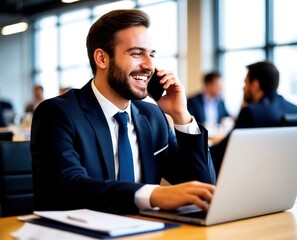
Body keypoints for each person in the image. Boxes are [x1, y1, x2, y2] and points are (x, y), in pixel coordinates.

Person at [31, 9, 216, 215]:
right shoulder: (57, 113)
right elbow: (69, 185)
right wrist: (153, 195)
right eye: (137, 53)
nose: (149, 66)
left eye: (152, 55)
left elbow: (203, 188)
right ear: (102, 58)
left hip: (144, 232)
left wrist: (182, 116)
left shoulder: (153, 117)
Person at [210, 61, 297, 173]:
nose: (243, 88)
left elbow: (223, 152)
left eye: (245, 82)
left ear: (255, 85)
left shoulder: (251, 112)